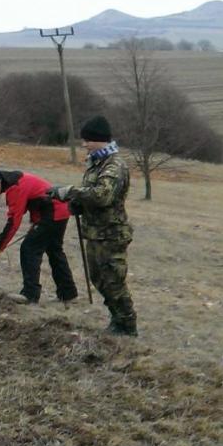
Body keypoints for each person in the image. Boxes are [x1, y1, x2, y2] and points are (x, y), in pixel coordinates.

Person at [47, 115, 137, 336]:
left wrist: (70, 192)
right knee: (98, 277)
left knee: (113, 280)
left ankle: (127, 325)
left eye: (87, 140)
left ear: (100, 140)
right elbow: (92, 195)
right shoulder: (97, 162)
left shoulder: (115, 165)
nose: (84, 144)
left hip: (111, 234)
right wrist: (77, 204)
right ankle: (116, 319)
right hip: (96, 232)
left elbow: (102, 196)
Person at [0, 165, 78, 305]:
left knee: (29, 249)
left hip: (53, 212)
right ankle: (68, 294)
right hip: (59, 211)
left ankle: (30, 294)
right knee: (55, 251)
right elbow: (32, 202)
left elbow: (14, 222)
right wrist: (36, 223)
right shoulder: (13, 181)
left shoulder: (15, 187)